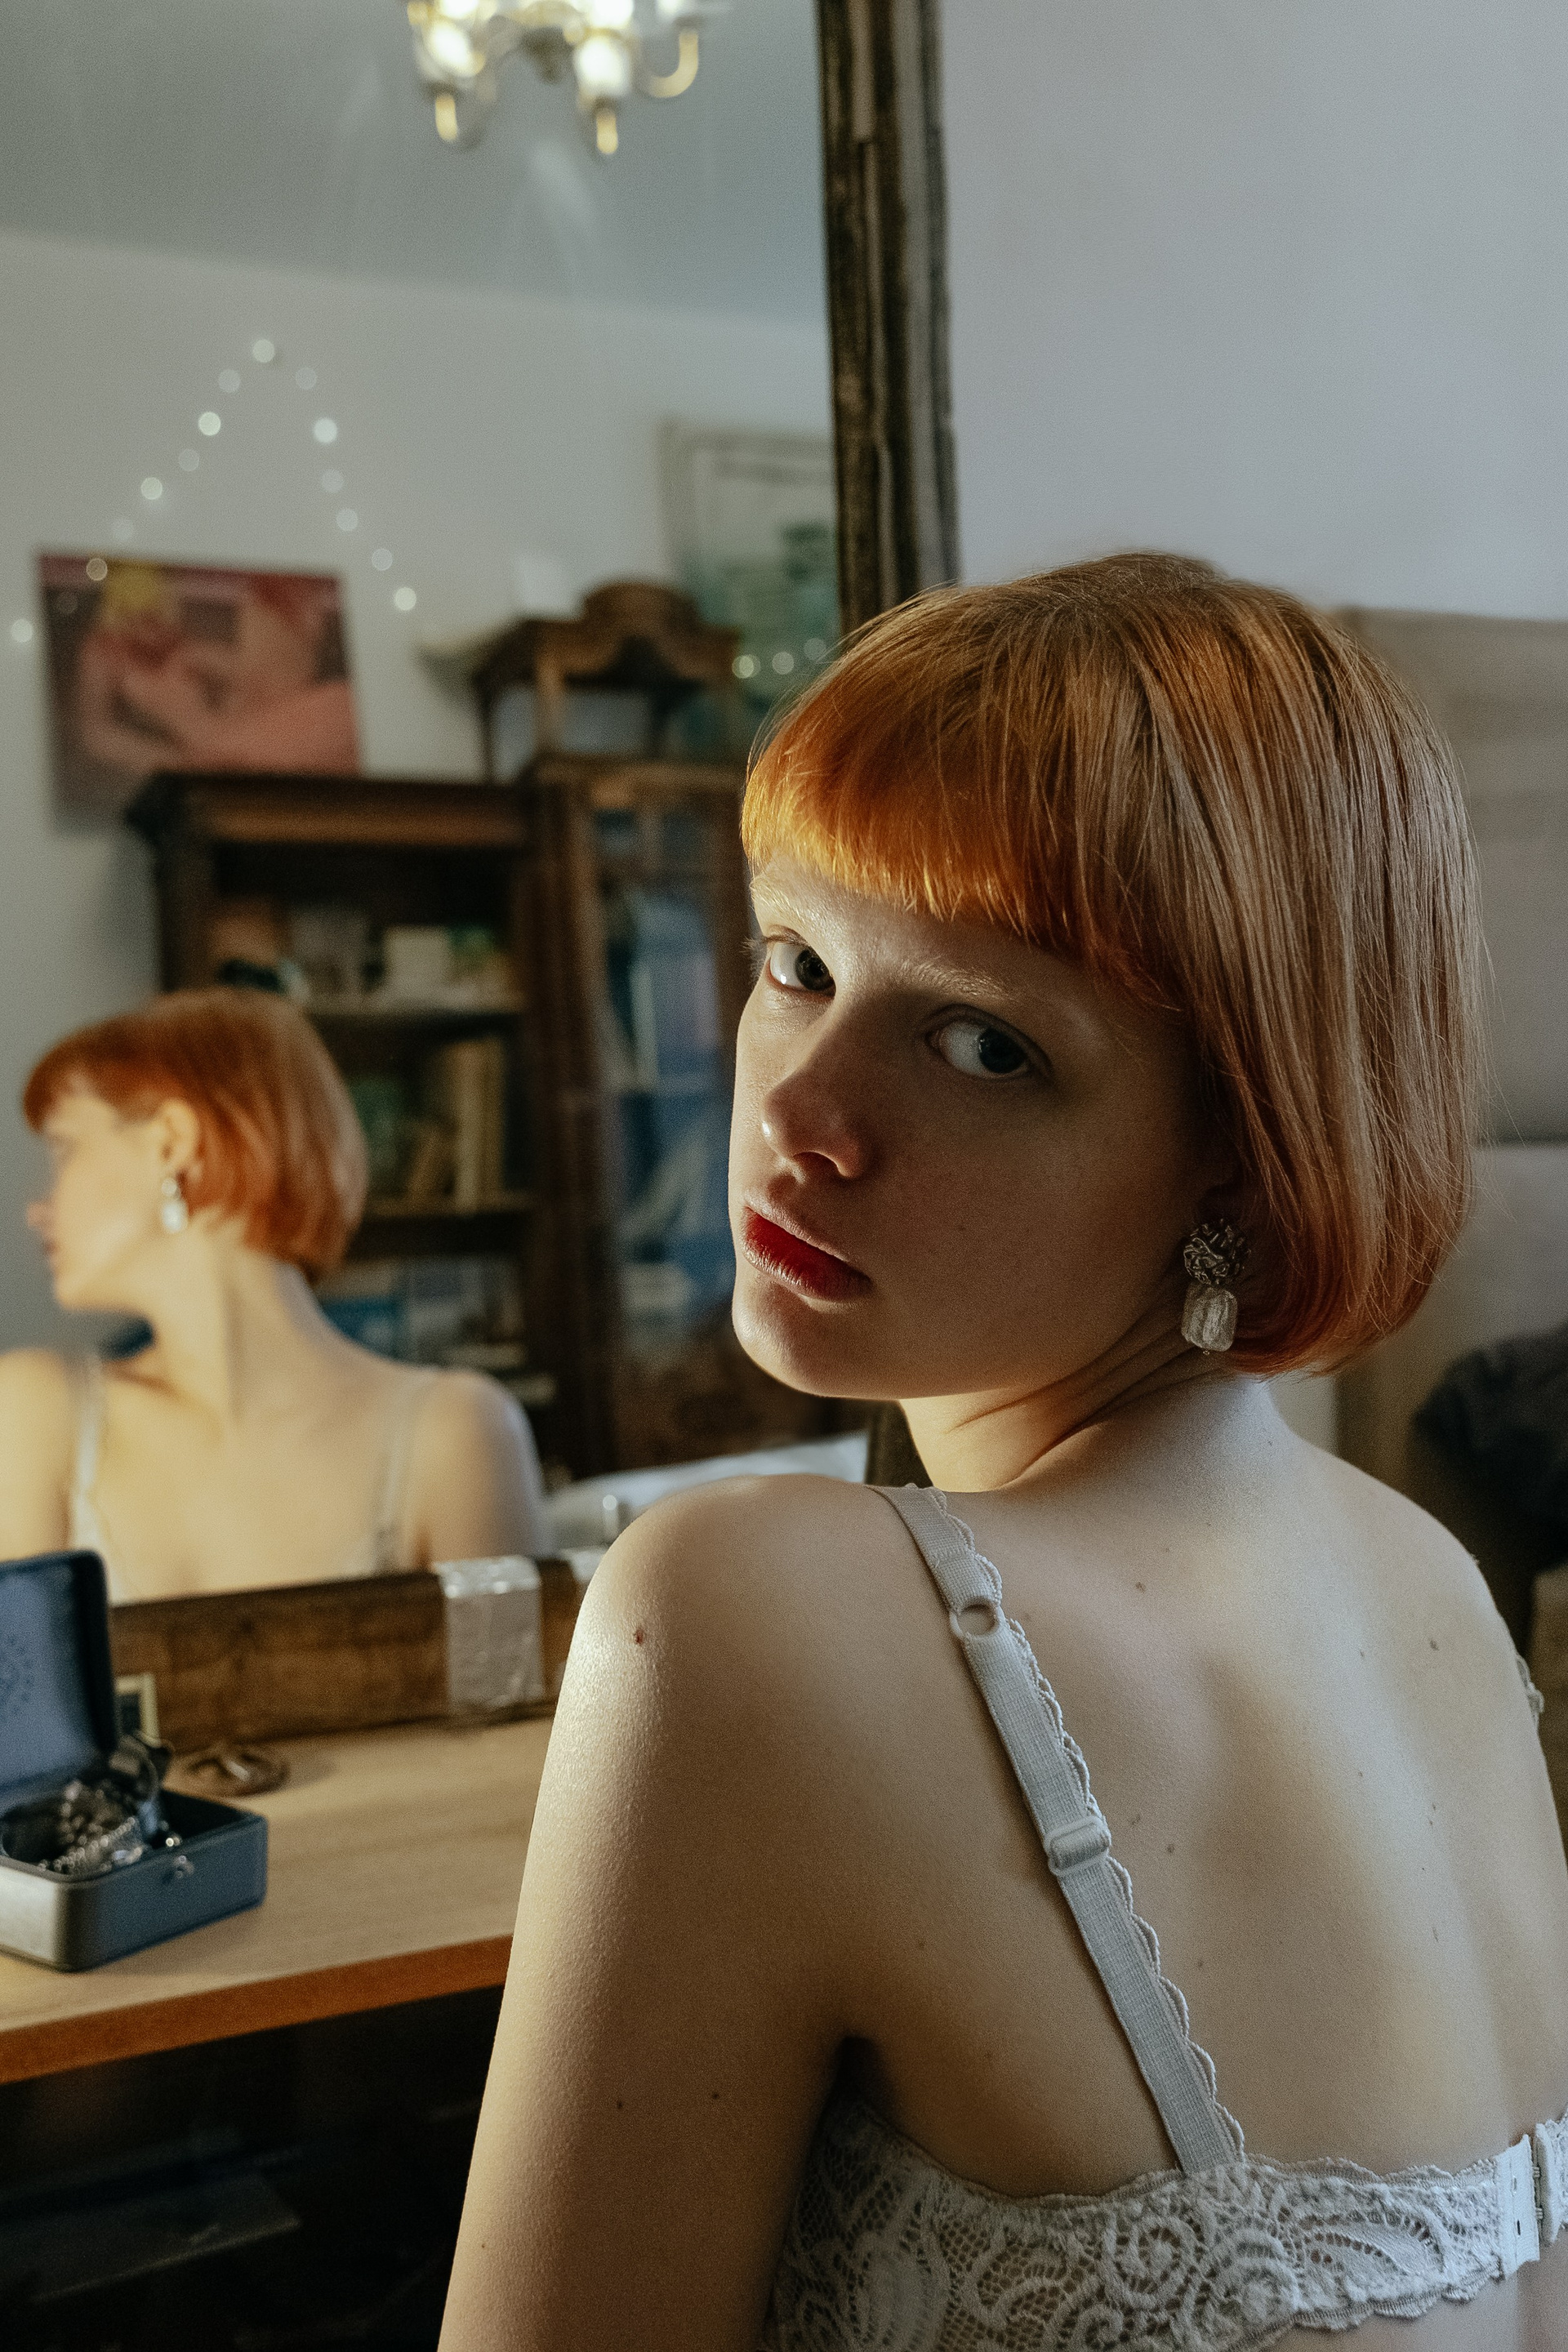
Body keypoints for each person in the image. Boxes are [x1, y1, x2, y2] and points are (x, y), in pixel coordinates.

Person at [439, 555, 1568, 2352]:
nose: (801, 1112)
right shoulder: (1430, 1579)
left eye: (984, 1046)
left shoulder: (749, 1612)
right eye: (797, 962)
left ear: (1245, 1146)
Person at [0, 988, 550, 1598]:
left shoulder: (458, 1434)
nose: (36, 1209)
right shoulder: (33, 1413)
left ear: (171, 1143)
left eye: (66, 1148)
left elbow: (509, 1664)